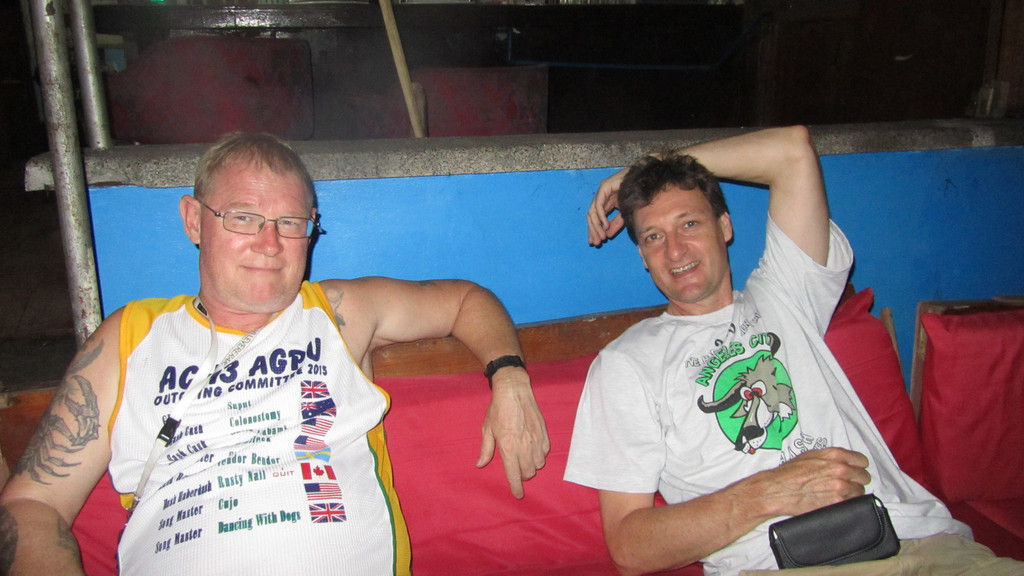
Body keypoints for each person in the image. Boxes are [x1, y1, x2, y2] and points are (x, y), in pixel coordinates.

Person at [0, 132, 549, 575]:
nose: (270, 244)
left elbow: (466, 300)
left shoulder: (339, 311)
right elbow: (33, 503)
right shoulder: (129, 335)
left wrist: (509, 378)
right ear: (193, 220)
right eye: (242, 217)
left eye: (289, 223)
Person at [565, 126, 1023, 575]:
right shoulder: (627, 363)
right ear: (643, 257)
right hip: (784, 564)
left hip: (923, 542)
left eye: (689, 223)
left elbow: (791, 150)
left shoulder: (785, 292)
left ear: (724, 226)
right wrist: (768, 492)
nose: (675, 250)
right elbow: (629, 547)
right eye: (653, 236)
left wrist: (649, 167)